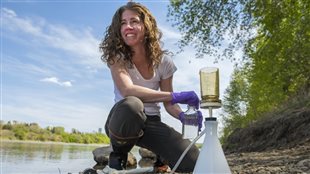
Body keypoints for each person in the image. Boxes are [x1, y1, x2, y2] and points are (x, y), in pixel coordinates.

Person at [99, 2, 203, 173]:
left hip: (151, 122)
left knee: (193, 160)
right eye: (123, 23)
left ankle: (160, 159)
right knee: (132, 104)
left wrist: (182, 115)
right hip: (124, 119)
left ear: (146, 26)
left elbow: (169, 104)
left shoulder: (165, 62)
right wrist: (174, 95)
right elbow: (128, 90)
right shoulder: (116, 57)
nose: (128, 27)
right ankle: (119, 153)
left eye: (134, 21)